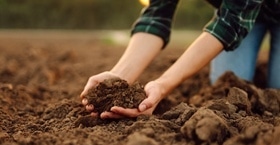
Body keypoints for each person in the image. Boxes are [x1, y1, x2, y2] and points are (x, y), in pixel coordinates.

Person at [80, 0, 280, 119]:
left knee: (276, 90)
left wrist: (164, 84)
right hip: (241, 12)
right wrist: (119, 78)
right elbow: (156, 17)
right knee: (227, 85)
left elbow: (229, 23)